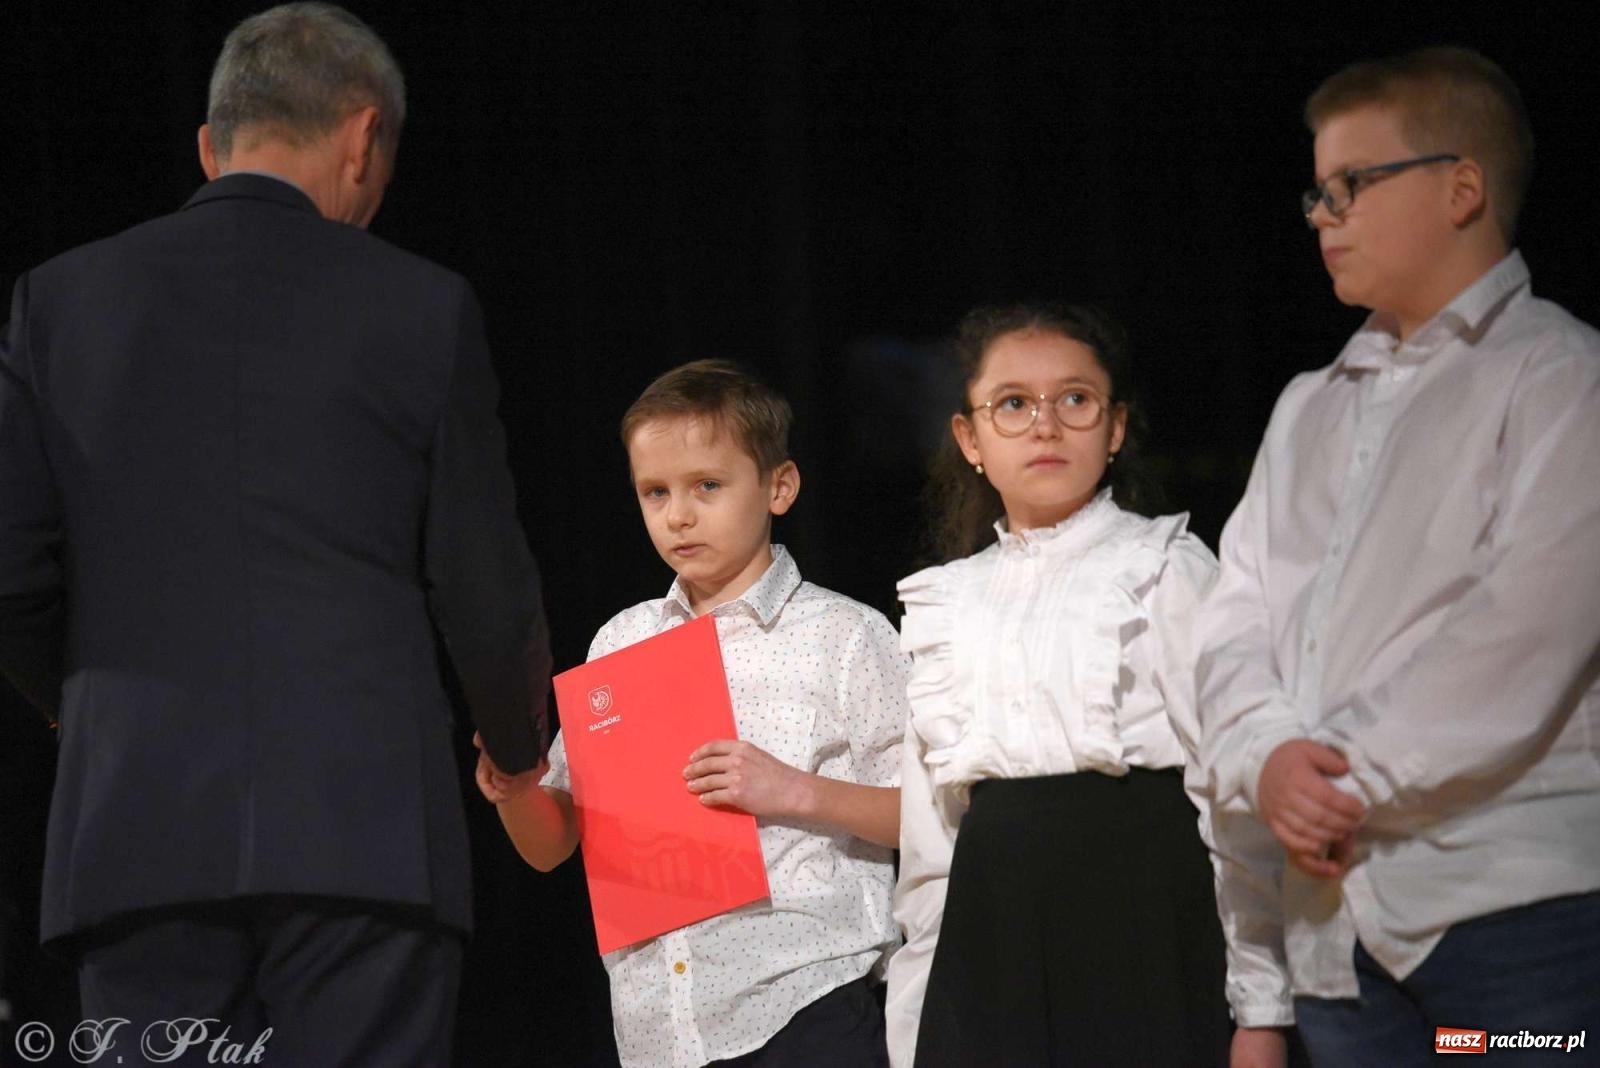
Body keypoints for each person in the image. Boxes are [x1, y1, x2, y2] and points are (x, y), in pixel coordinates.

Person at [0, 4, 550, 1062]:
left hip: (136, 836)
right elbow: (482, 586)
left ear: (211, 147)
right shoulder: (423, 307)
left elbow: (10, 575)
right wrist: (519, 753)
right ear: (360, 137)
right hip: (366, 844)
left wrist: (84, 707)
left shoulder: (57, 304)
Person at [1195, 46, 1600, 1067]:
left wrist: (1342, 778)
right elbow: (1236, 614)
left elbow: (1528, 624)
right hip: (1337, 922)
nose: (1323, 215)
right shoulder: (1308, 405)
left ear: (1461, 186)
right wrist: (1265, 756)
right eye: (1316, 193)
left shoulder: (1557, 375)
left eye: (1352, 186)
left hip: (1506, 910)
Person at [476, 359, 907, 1068]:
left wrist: (794, 790)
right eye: (655, 492)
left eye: (707, 485)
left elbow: (933, 814)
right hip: (662, 1027)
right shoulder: (622, 641)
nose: (678, 514)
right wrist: (517, 787)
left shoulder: (845, 635)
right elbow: (552, 844)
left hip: (805, 1001)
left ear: (779, 486)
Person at [884, 303, 1235, 1067]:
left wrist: (1260, 1006)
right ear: (970, 439)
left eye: (1074, 399)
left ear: (1113, 428)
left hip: (1146, 936)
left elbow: (1232, 791)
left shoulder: (1166, 566)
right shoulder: (947, 604)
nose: (1045, 425)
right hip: (992, 955)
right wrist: (915, 1032)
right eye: (1013, 403)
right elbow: (931, 851)